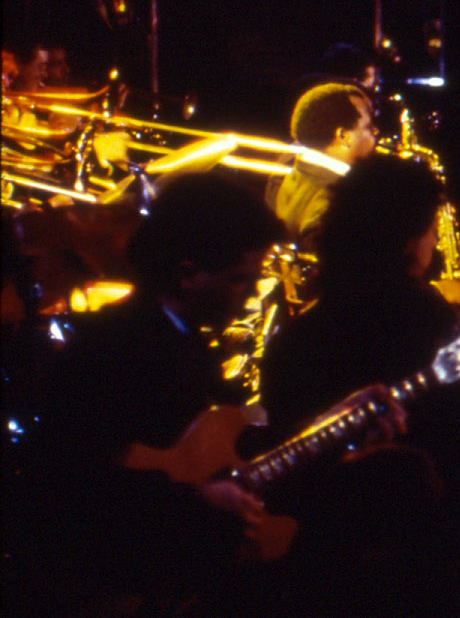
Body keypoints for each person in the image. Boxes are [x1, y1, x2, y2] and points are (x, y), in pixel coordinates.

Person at [260, 155, 460, 615]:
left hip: (332, 573)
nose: (433, 242)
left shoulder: (293, 339)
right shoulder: (419, 313)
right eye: (430, 230)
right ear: (409, 242)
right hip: (433, 560)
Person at [7, 175, 291, 615]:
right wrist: (197, 500)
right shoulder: (110, 350)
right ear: (187, 274)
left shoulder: (183, 344)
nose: (253, 292)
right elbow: (70, 487)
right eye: (240, 279)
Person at [267, 82, 376, 251]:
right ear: (343, 136)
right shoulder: (335, 201)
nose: (376, 131)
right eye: (368, 127)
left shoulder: (286, 169)